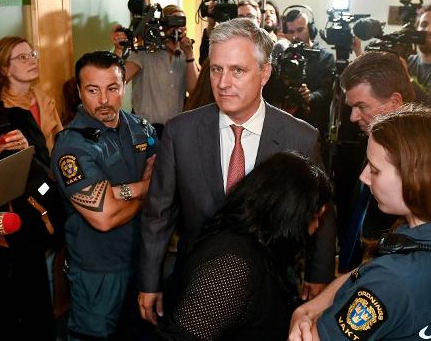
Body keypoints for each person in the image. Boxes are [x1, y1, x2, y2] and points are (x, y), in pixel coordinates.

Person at [138, 18, 337, 326]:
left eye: (238, 70)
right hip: (194, 283)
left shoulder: (299, 136)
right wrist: (150, 281)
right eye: (216, 69)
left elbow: (320, 214)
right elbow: (158, 213)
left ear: (265, 73)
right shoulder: (181, 131)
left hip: (268, 291)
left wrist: (319, 273)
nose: (223, 82)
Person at [288, 104, 431, 341]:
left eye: (374, 170)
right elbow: (363, 272)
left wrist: (303, 313)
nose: (364, 177)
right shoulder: (411, 243)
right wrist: (307, 310)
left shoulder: (391, 281)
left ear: (414, 177)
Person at [156, 152, 332, 341]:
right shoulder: (232, 266)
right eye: (316, 218)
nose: (316, 228)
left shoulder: (262, 246)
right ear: (289, 215)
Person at [51, 51, 158, 341]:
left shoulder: (140, 127)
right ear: (79, 91)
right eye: (92, 90)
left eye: (112, 88)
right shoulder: (72, 147)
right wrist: (144, 189)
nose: (104, 100)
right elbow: (104, 217)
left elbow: (167, 181)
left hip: (144, 261)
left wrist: (122, 194)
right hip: (98, 272)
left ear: (124, 85)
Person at [0, 53, 64, 341]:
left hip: (26, 231)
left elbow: (46, 166)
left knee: (37, 314)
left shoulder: (18, 118)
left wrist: (25, 147)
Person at [337, 52, 415, 272]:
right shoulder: (375, 140)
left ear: (395, 102)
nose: (353, 117)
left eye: (361, 106)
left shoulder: (420, 160)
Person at [111, 3, 199, 137]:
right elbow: (116, 80)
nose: (177, 29)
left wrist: (189, 55)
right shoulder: (144, 54)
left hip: (175, 132)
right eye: (172, 23)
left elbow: (194, 90)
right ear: (162, 25)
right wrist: (118, 50)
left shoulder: (185, 55)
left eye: (181, 24)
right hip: (145, 131)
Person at [0, 35, 63, 152]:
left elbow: (61, 141)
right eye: (23, 57)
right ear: (4, 69)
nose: (32, 61)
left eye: (33, 55)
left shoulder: (44, 98)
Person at [281, 8, 335, 137]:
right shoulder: (283, 56)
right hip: (285, 122)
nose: (295, 36)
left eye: (300, 30)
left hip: (313, 123)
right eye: (291, 32)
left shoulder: (325, 57)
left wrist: (310, 96)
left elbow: (326, 90)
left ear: (310, 29)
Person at [408, 4, 431, 96]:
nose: (429, 30)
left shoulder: (404, 66)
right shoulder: (406, 60)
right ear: (417, 29)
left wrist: (406, 77)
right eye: (424, 24)